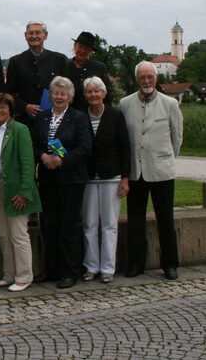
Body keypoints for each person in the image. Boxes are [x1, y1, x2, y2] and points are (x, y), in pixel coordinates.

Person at [120, 61, 183, 280]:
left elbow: (177, 139)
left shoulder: (170, 104)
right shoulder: (125, 104)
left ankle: (170, 264)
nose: (146, 81)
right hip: (136, 171)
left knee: (165, 218)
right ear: (137, 79)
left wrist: (165, 157)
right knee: (135, 220)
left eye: (150, 77)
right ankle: (136, 263)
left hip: (161, 171)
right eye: (142, 78)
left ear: (156, 78)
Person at [31, 76, 91, 289]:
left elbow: (85, 148)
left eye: (62, 94)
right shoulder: (43, 117)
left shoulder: (79, 118)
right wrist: (43, 157)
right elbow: (35, 144)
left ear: (70, 97)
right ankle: (51, 270)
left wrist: (62, 160)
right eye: (55, 93)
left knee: (68, 227)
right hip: (48, 179)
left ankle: (70, 271)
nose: (58, 97)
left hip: (71, 180)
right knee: (48, 225)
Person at [0, 92, 42, 292]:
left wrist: (25, 191)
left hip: (17, 187)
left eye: (3, 107)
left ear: (10, 110)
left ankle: (24, 276)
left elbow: (28, 162)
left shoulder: (20, 129)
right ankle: (8, 274)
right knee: (2, 233)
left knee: (18, 234)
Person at [81, 76, 130, 284]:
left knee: (109, 224)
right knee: (89, 224)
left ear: (104, 93)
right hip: (89, 178)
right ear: (85, 95)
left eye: (96, 91)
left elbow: (125, 147)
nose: (93, 95)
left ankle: (108, 268)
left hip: (111, 176)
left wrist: (125, 178)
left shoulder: (115, 115)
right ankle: (91, 267)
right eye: (89, 92)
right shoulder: (81, 117)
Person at [5, 21, 68, 129]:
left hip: (56, 120)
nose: (34, 36)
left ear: (45, 35)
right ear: (25, 36)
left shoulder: (59, 60)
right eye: (30, 33)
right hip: (26, 122)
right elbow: (9, 92)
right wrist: (25, 107)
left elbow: (68, 89)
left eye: (37, 33)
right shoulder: (16, 62)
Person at [64, 31, 112, 112]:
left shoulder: (99, 68)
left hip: (94, 114)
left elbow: (107, 95)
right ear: (75, 46)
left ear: (90, 51)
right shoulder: (65, 68)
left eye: (86, 49)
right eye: (80, 47)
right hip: (71, 115)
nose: (82, 51)